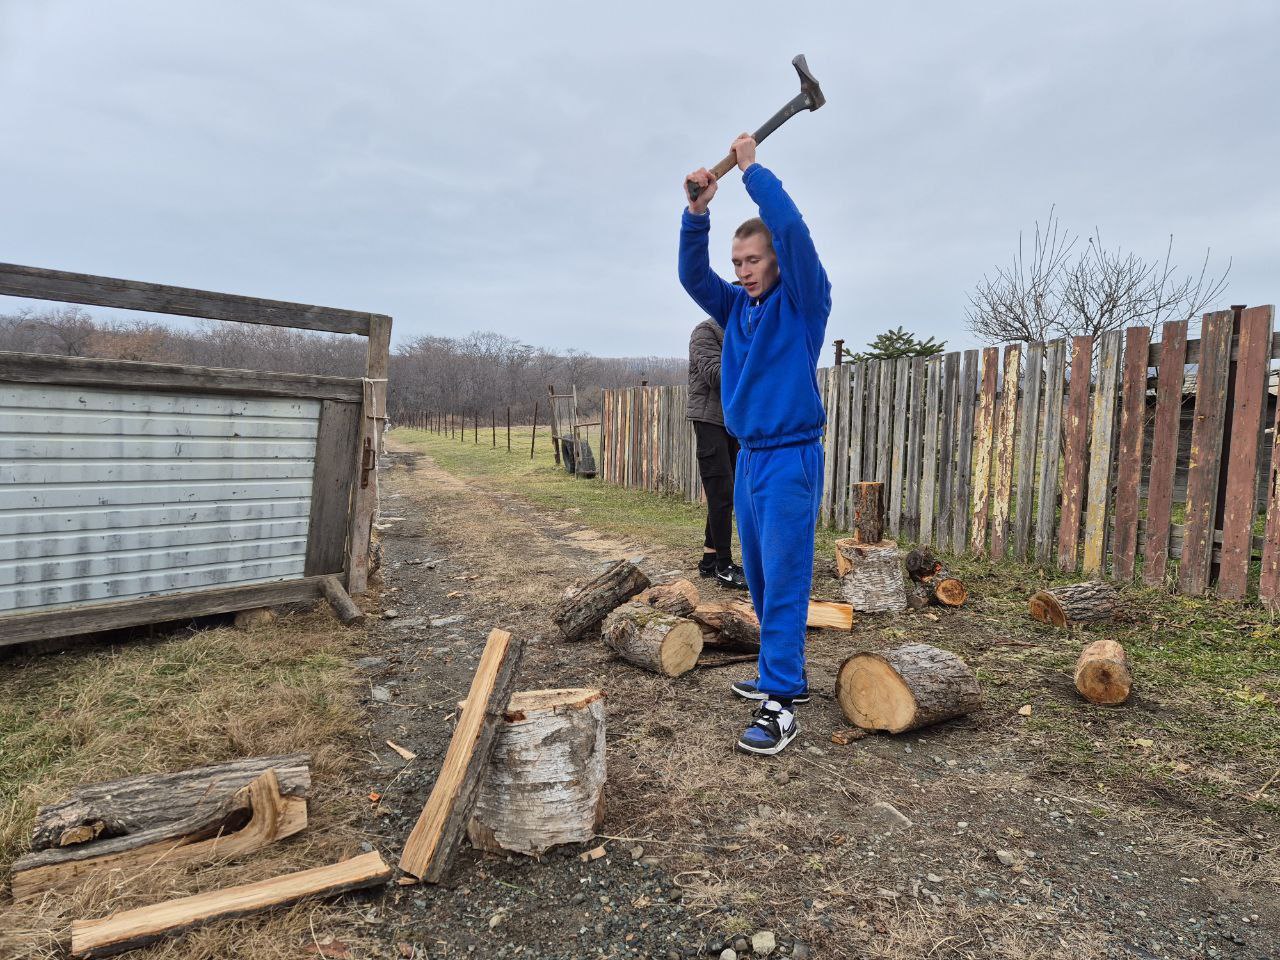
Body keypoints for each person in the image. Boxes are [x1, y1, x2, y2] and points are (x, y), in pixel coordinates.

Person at [678, 134, 831, 756]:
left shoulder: (803, 302)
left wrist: (753, 173)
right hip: (750, 459)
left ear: (775, 262)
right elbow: (691, 273)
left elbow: (793, 231)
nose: (741, 271)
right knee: (763, 579)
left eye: (752, 260)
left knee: (789, 576)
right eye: (736, 261)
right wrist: (697, 214)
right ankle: (779, 673)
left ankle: (781, 702)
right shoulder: (735, 310)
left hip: (792, 456)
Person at [687, 316, 747, 590]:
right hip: (709, 420)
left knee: (727, 492)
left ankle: (709, 560)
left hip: (733, 421)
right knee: (720, 491)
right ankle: (724, 566)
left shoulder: (741, 330)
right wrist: (754, 362)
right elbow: (715, 374)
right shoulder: (705, 331)